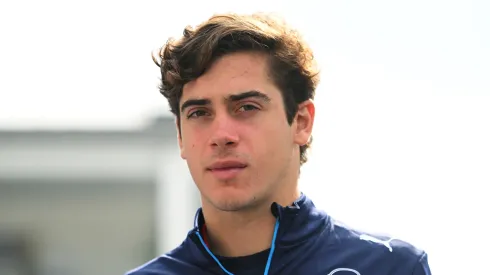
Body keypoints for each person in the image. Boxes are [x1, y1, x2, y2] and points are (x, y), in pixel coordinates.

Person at [126, 12, 432, 275]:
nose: (221, 135)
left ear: (301, 122)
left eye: (246, 107)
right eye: (200, 113)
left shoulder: (390, 268)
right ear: (180, 136)